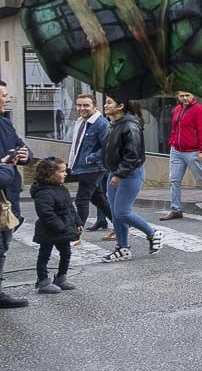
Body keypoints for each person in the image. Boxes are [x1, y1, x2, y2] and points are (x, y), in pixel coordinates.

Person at [101, 97, 163, 263]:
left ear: (120, 105)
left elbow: (133, 156)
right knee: (115, 214)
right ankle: (122, 248)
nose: (105, 105)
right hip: (115, 173)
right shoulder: (113, 123)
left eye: (109, 102)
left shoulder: (130, 126)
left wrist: (119, 174)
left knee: (122, 212)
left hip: (129, 174)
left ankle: (152, 233)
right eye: (105, 102)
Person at [162, 91, 202, 220]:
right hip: (176, 151)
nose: (184, 98)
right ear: (178, 96)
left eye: (187, 95)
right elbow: (174, 129)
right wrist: (172, 142)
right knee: (174, 180)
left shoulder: (199, 110)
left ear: (192, 96)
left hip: (192, 151)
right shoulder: (177, 109)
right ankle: (176, 209)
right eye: (182, 96)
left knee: (201, 178)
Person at [0, 80, 32, 308]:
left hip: (9, 196)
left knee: (4, 241)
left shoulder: (5, 124)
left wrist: (24, 156)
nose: (6, 99)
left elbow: (24, 148)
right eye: (2, 95)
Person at [30, 157, 83, 294]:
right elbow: (46, 214)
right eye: (62, 171)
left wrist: (77, 222)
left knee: (66, 253)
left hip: (62, 230)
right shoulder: (43, 192)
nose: (65, 174)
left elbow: (70, 207)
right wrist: (62, 227)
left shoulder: (61, 188)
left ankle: (61, 278)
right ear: (49, 174)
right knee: (44, 256)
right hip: (48, 231)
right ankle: (43, 282)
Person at [66, 93, 112, 233]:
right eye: (79, 105)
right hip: (82, 167)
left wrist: (89, 158)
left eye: (86, 105)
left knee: (81, 200)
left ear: (94, 106)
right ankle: (121, 225)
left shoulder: (101, 124)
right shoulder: (81, 121)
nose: (82, 108)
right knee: (98, 199)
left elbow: (108, 148)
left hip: (93, 168)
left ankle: (75, 234)